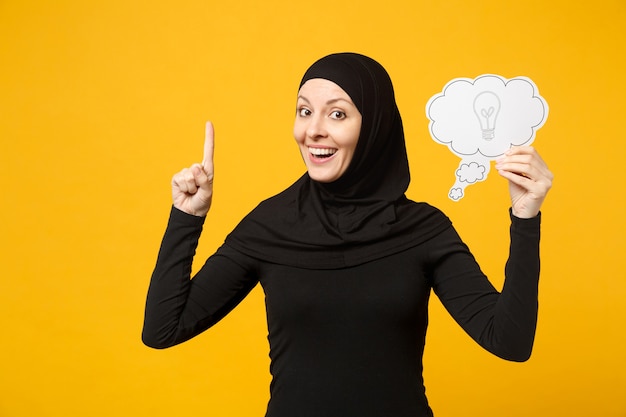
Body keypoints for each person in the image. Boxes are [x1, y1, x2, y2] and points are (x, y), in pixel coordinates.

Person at [142, 52, 553, 417]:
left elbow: (509, 341)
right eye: (304, 111)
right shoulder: (269, 226)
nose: (313, 131)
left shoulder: (423, 230)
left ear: (374, 127)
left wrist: (525, 216)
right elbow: (162, 329)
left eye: (337, 114)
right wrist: (186, 218)